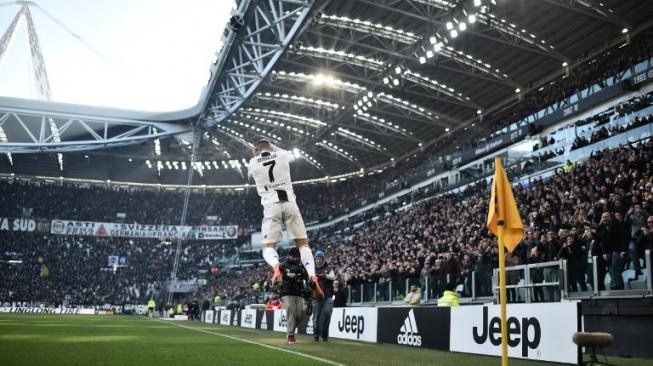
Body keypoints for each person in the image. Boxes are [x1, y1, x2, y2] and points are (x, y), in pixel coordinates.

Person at [247, 139, 324, 300]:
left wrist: (257, 153)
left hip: (271, 206)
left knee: (268, 246)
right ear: (271, 147)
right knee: (303, 244)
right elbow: (290, 156)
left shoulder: (253, 163)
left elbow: (251, 171)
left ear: (257, 149)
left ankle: (276, 266)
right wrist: (273, 147)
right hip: (289, 203)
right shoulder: (281, 155)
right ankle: (312, 276)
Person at [278, 247, 309, 345]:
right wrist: (287, 275)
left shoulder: (300, 265)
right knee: (291, 313)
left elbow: (305, 275)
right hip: (287, 292)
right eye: (294, 256)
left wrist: (302, 274)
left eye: (297, 257)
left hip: (299, 292)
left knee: (301, 314)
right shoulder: (283, 265)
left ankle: (289, 331)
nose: (295, 258)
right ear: (289, 255)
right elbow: (281, 275)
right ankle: (291, 336)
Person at [312, 251, 336, 341]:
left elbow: (333, 277)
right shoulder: (312, 269)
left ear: (323, 259)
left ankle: (325, 335)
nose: (318, 261)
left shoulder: (329, 268)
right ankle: (315, 336)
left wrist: (324, 276)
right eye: (316, 259)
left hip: (328, 296)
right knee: (315, 318)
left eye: (320, 259)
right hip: (316, 297)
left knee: (327, 313)